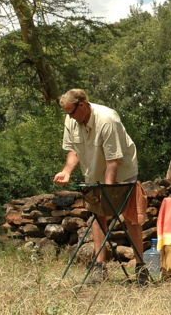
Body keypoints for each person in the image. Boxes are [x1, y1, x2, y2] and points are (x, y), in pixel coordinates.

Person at [53, 89, 148, 285]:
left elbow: (112, 161)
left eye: (71, 112)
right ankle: (100, 268)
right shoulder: (71, 119)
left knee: (130, 217)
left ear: (82, 105)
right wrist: (67, 171)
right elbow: (74, 150)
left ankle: (140, 269)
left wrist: (108, 192)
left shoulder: (107, 119)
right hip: (94, 171)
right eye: (67, 113)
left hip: (122, 170)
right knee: (98, 215)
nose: (69, 116)